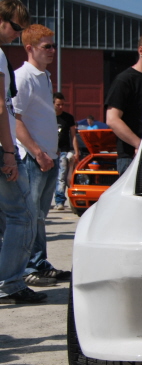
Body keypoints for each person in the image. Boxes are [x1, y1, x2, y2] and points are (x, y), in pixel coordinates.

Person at [13, 24, 71, 286]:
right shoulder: (23, 77)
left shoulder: (44, 76)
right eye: (47, 46)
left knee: (39, 216)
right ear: (30, 48)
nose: (52, 50)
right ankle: (26, 267)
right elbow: (15, 119)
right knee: (28, 215)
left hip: (49, 156)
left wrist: (52, 150)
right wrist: (38, 152)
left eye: (53, 45)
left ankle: (39, 262)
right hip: (33, 158)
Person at [0, 0, 47, 303]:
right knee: (24, 215)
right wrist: (8, 151)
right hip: (3, 148)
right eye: (15, 27)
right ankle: (10, 283)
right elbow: (1, 108)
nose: (18, 34)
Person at [105, 31, 142, 175]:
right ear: (141, 51)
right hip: (131, 156)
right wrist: (139, 144)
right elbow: (112, 119)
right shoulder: (125, 80)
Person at [52, 92, 77, 211]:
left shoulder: (68, 118)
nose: (61, 107)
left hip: (63, 150)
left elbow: (73, 136)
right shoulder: (48, 116)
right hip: (50, 151)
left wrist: (76, 151)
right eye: (58, 104)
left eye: (62, 104)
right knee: (49, 177)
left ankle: (60, 200)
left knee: (61, 176)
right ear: (53, 104)